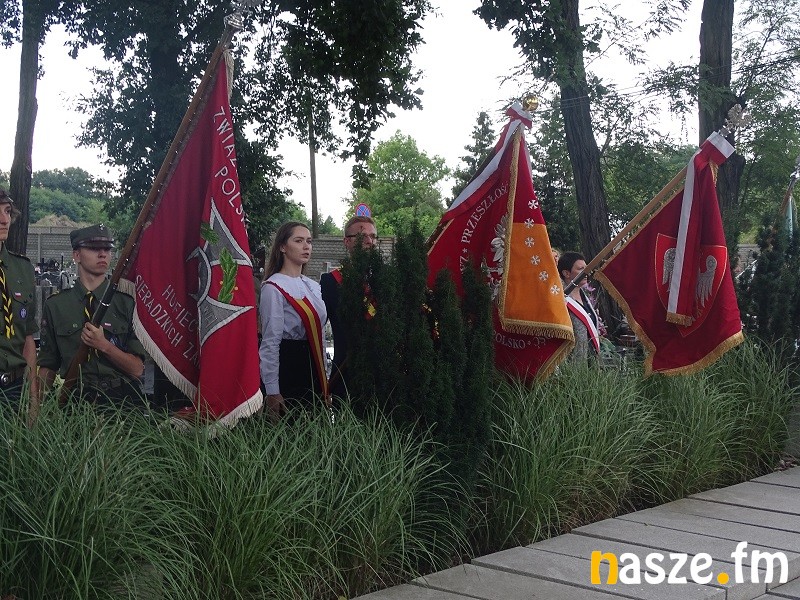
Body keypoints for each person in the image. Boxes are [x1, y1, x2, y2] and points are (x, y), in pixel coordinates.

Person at [37, 224, 147, 409]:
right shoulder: (57, 306)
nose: (103, 254)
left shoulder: (126, 303)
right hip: (75, 401)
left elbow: (137, 369)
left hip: (122, 403)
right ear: (77, 255)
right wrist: (37, 409)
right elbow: (48, 365)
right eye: (94, 248)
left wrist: (104, 345)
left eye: (107, 249)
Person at [259, 221, 328, 417]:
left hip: (313, 365)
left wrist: (324, 379)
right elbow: (270, 342)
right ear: (282, 247)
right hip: (288, 364)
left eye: (309, 241)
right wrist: (272, 390)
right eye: (298, 241)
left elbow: (321, 335)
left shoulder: (313, 286)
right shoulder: (273, 287)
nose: (306, 246)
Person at [320, 215, 378, 399]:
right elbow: (319, 329)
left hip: (383, 374)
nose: (369, 241)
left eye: (373, 236)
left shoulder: (388, 279)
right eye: (362, 236)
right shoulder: (330, 282)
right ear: (347, 242)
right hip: (346, 374)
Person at [0, 189, 39, 409]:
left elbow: (27, 336)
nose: (4, 220)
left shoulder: (22, 269)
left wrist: (33, 400)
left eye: (7, 211)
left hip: (13, 390)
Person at [558, 251, 601, 363]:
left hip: (591, 363)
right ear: (566, 273)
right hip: (572, 364)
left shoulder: (585, 295)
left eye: (586, 268)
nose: (586, 272)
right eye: (581, 269)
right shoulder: (560, 299)